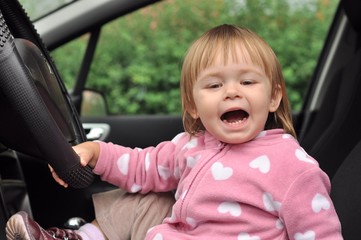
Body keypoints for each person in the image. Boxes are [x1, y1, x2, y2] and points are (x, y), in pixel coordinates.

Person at [6, 24, 343, 240]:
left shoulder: (291, 166)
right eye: (214, 85)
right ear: (193, 106)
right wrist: (95, 153)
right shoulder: (190, 145)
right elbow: (143, 166)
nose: (232, 92)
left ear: (273, 97)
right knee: (144, 196)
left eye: (247, 81)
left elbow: (321, 233)